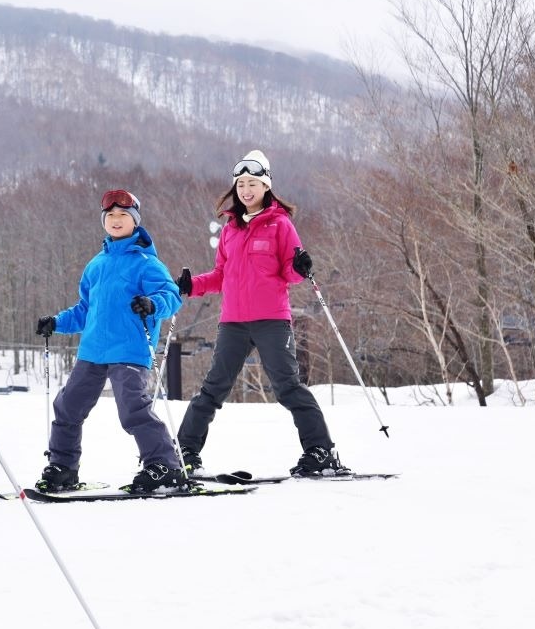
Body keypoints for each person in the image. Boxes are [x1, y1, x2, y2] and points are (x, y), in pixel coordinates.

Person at [173, 150, 349, 478]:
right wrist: (191, 285)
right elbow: (221, 276)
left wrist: (300, 267)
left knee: (288, 387)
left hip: (271, 321)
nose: (246, 190)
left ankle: (320, 451)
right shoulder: (230, 230)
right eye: (241, 184)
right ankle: (184, 452)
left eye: (252, 183)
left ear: (266, 186)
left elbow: (291, 272)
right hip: (234, 323)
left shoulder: (281, 225)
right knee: (213, 388)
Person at [34, 190, 183, 493]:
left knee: (133, 409)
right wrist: (57, 322)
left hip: (129, 349)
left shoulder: (146, 263)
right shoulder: (96, 265)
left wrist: (152, 304)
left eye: (123, 216)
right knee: (67, 406)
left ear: (135, 221)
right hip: (92, 351)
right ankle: (63, 467)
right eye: (111, 216)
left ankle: (163, 465)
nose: (116, 221)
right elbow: (85, 310)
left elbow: (172, 296)